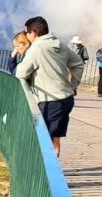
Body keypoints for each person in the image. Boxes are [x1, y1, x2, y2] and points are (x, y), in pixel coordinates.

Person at [15, 16, 85, 157]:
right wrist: (73, 85)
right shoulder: (60, 44)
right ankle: (51, 170)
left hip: (49, 101)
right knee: (54, 138)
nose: (27, 35)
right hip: (66, 99)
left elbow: (20, 73)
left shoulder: (37, 48)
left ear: (34, 32)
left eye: (27, 32)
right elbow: (78, 64)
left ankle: (44, 174)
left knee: (44, 140)